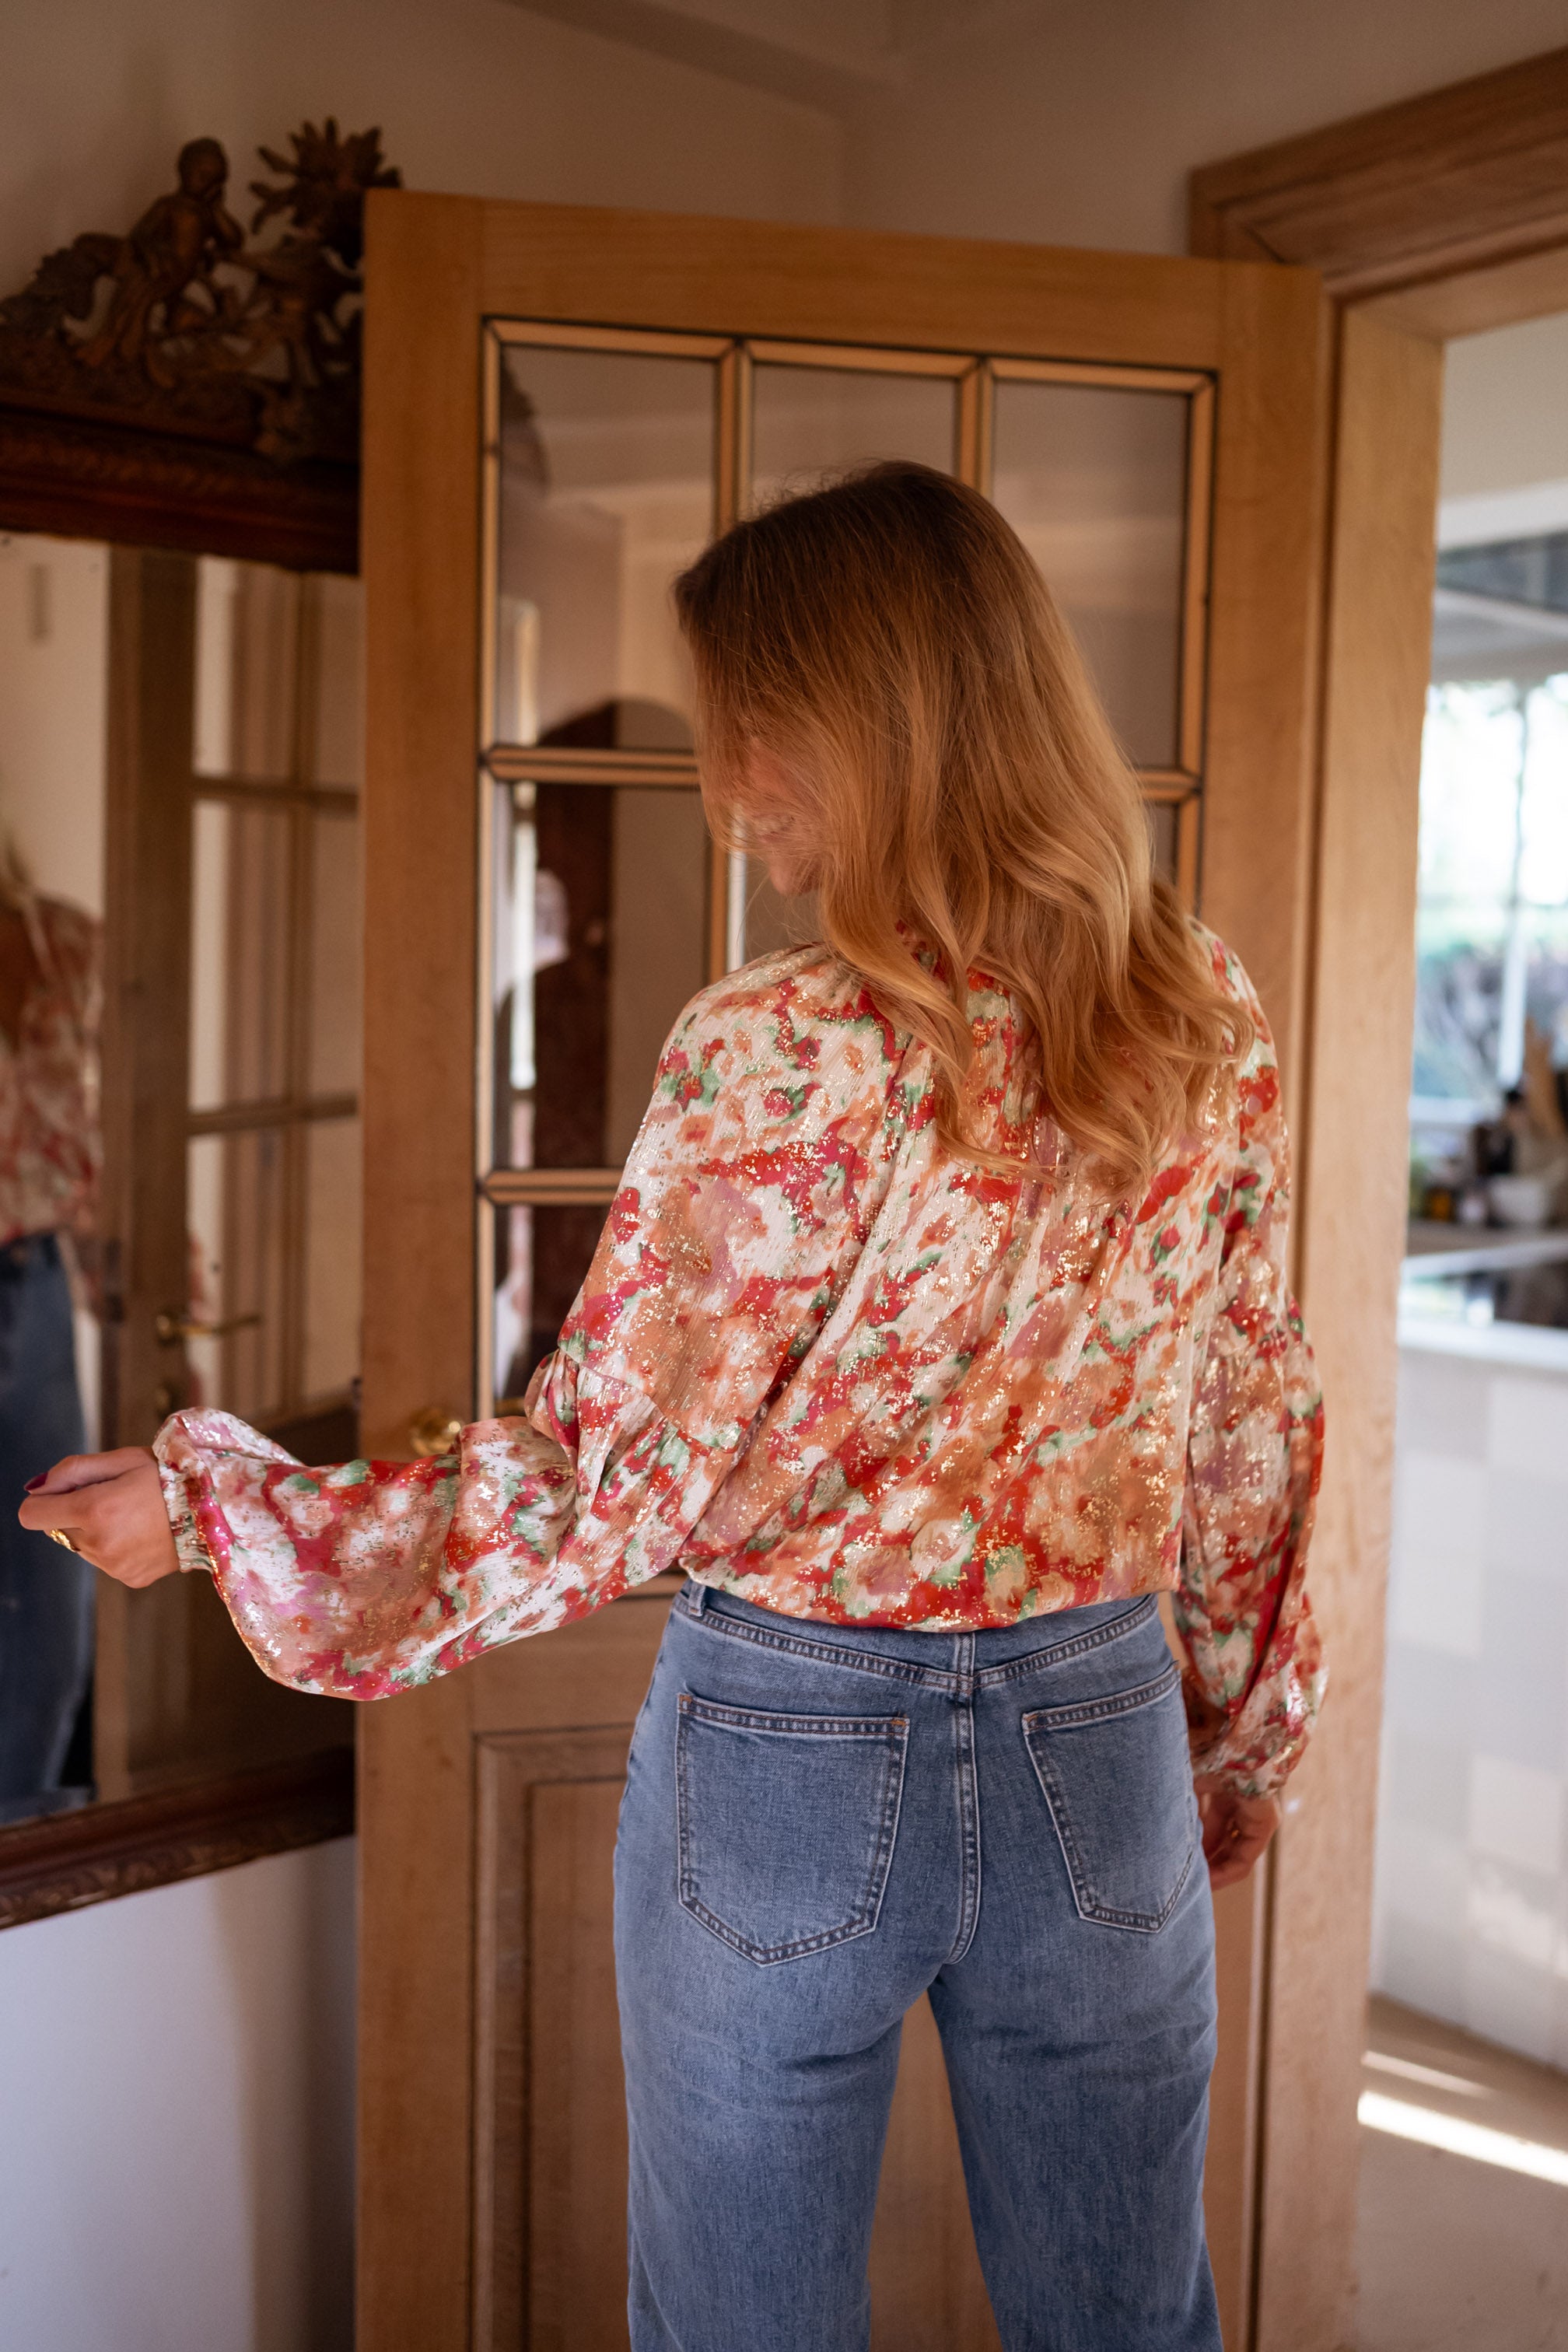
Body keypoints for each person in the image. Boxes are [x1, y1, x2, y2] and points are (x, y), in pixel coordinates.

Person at [23, 463, 1323, 2352]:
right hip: (1097, 1735)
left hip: (790, 1750)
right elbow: (1247, 1434)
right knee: (1132, 2325)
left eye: (751, 732)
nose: (724, 793)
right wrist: (1228, 1742)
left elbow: (598, 1481)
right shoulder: (1201, 1010)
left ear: (870, 723)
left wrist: (219, 1506)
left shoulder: (770, 1050)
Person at [0, 844, 99, 1820]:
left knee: (48, 1574)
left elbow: (102, 1130)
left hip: (31, 1276)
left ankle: (23, 1838)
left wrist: (157, 1301)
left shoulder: (62, 941)